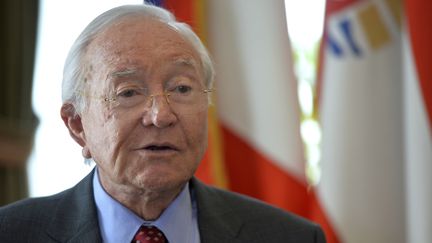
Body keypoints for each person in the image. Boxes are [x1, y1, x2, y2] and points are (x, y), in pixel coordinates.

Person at [0, 4, 325, 243]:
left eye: (181, 88)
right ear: (77, 125)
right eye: (128, 92)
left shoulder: (289, 236)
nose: (161, 115)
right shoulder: (12, 233)